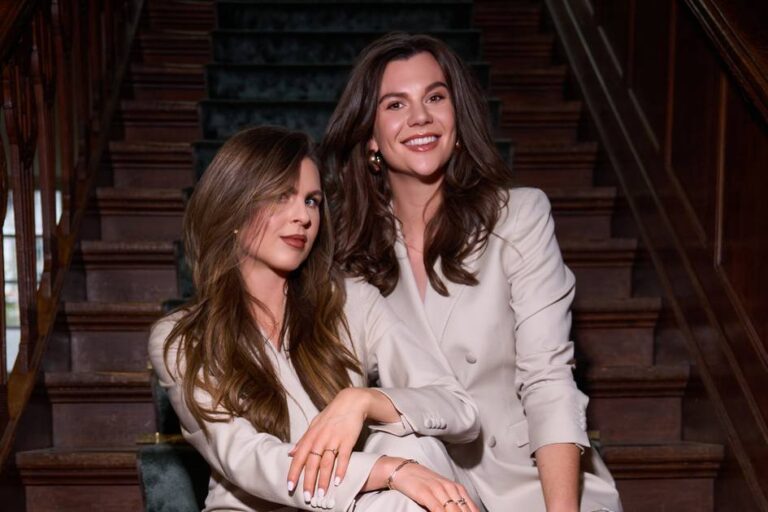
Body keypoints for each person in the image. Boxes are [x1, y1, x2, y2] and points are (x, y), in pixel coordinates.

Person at [319, 33, 623, 512]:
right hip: (424, 484)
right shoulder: (351, 258)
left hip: (534, 481)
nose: (420, 116)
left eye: (435, 97)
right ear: (370, 137)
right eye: (395, 104)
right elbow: (335, 390)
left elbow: (548, 380)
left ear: (457, 119)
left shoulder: (518, 218)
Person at [147, 125, 484, 511]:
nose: (303, 216)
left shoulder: (352, 300)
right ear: (234, 206)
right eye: (281, 196)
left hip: (363, 505)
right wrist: (389, 470)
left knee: (416, 445)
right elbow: (247, 459)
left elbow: (458, 409)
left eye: (312, 201)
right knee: (402, 480)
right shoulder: (182, 338)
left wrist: (361, 400)